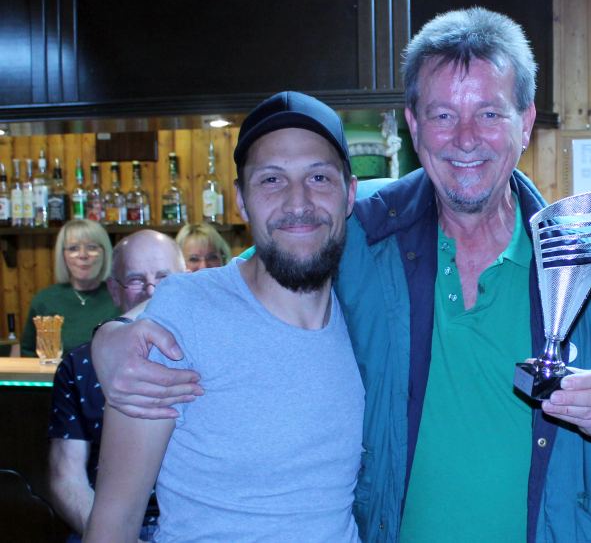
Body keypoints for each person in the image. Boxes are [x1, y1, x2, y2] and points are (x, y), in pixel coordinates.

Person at [92, 8, 591, 542]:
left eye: (489, 113)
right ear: (413, 125)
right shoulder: (358, 230)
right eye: (442, 115)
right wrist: (108, 338)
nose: (465, 139)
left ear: (525, 121)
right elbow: (246, 282)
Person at [84, 92, 364, 543]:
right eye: (271, 180)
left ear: (350, 193)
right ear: (240, 200)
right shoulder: (184, 315)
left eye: (319, 177)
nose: (298, 202)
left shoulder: (364, 310)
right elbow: (114, 520)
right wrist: (106, 335)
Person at [47, 230, 185, 542]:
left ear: (188, 282)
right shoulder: (79, 364)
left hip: (195, 525)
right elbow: (66, 479)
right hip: (105, 521)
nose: (151, 291)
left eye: (164, 278)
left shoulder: (213, 358)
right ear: (114, 290)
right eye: (136, 280)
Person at [21, 219, 119, 357]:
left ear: (105, 253)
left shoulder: (121, 298)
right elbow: (28, 353)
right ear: (63, 256)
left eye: (92, 247)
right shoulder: (44, 301)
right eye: (73, 248)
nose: (83, 255)